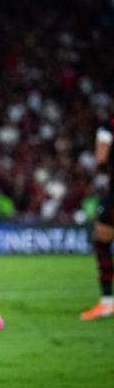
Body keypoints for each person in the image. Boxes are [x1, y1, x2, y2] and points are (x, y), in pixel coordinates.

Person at [81, 115, 114, 320]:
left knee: (101, 239)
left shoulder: (109, 125)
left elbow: (101, 158)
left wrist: (103, 167)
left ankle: (107, 302)